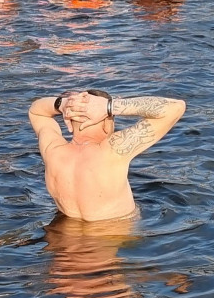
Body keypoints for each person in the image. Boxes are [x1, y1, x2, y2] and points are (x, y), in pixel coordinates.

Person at [28, 91, 186, 222]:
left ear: (69, 120)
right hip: (108, 241)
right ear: (107, 122)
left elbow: (36, 112)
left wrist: (62, 104)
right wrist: (109, 107)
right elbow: (176, 107)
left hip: (62, 237)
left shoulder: (52, 150)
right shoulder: (113, 150)